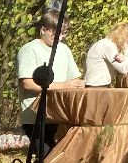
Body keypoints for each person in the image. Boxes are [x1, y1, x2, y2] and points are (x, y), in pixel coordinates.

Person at [17, 8, 83, 151]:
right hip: (36, 116)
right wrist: (63, 86)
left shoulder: (64, 50)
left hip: (60, 114)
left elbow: (74, 79)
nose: (59, 37)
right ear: (43, 29)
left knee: (60, 156)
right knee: (45, 156)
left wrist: (80, 85)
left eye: (63, 33)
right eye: (54, 32)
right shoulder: (29, 50)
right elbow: (27, 83)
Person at [83, 22, 128, 86]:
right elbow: (124, 70)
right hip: (98, 87)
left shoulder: (104, 44)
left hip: (94, 85)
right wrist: (127, 50)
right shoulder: (108, 46)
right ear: (126, 37)